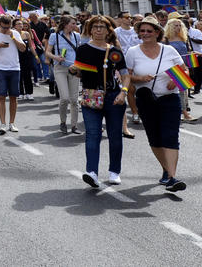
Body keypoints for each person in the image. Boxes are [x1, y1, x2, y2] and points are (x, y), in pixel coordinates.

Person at [126, 15, 188, 192]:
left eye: (149, 31)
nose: (145, 34)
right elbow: (126, 76)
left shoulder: (169, 51)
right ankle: (167, 170)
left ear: (157, 33)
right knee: (155, 137)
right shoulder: (132, 52)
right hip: (146, 100)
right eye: (142, 31)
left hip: (169, 99)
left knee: (170, 136)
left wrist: (176, 80)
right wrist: (139, 78)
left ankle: (172, 176)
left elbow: (185, 71)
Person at [73, 15, 130, 188]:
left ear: (108, 31)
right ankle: (92, 172)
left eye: (102, 27)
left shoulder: (115, 51)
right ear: (90, 30)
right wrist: (74, 70)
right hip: (91, 96)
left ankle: (114, 172)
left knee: (114, 136)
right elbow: (81, 72)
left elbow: (126, 76)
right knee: (92, 134)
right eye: (95, 27)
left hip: (113, 97)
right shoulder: (82, 49)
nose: (98, 30)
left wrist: (123, 93)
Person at [0, 15, 26, 134]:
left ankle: (12, 123)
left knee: (13, 97)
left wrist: (13, 37)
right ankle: (2, 124)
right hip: (0, 68)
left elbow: (23, 49)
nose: (5, 30)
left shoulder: (15, 33)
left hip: (14, 68)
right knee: (1, 96)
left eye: (8, 27)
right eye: (3, 27)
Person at [47, 16, 81, 134]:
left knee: (74, 99)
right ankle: (63, 122)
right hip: (60, 68)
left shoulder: (76, 36)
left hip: (74, 69)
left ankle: (74, 125)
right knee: (65, 98)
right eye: (73, 23)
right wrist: (56, 57)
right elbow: (48, 52)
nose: (75, 25)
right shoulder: (54, 36)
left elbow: (80, 52)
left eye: (75, 23)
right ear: (66, 24)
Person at [163, 18, 195, 122]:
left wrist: (191, 67)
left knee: (184, 91)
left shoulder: (184, 38)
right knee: (177, 91)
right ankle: (184, 113)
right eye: (175, 25)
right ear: (170, 27)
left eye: (179, 25)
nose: (178, 27)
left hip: (184, 67)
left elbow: (189, 52)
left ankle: (183, 111)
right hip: (171, 67)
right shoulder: (166, 39)